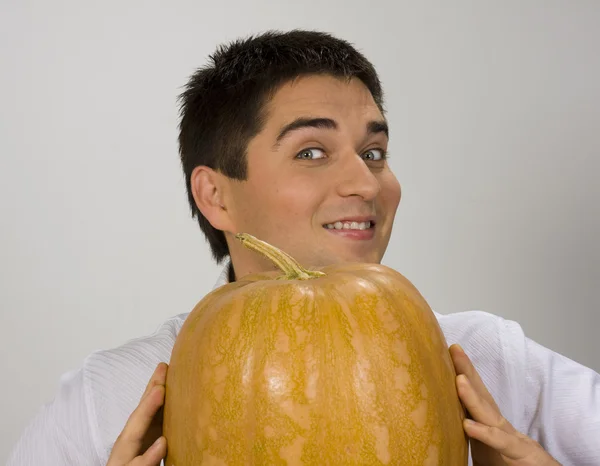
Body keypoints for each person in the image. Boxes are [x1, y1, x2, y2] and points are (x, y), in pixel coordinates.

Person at [7, 29, 599, 466]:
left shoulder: (491, 361)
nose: (367, 184)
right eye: (310, 152)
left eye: (374, 153)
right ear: (215, 195)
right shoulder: (110, 395)